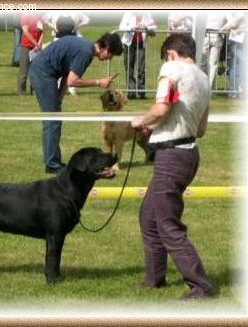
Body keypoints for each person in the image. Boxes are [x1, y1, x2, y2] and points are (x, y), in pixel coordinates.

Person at [131, 33, 215, 300]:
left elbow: (161, 107)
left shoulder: (171, 68)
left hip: (171, 157)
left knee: (168, 224)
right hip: (189, 153)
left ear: (170, 53)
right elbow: (200, 129)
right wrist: (156, 126)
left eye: (165, 57)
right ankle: (154, 278)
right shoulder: (203, 78)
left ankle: (201, 286)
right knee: (148, 215)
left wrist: (141, 121)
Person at [29, 32, 123, 173]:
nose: (110, 59)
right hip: (43, 73)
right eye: (112, 55)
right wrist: (99, 82)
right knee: (52, 121)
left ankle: (53, 162)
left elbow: (67, 74)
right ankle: (52, 165)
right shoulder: (85, 53)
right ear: (106, 49)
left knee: (54, 119)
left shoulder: (85, 47)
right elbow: (73, 81)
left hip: (45, 72)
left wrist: (59, 97)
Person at [43, 11, 90, 96]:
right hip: (58, 39)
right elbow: (44, 19)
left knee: (71, 64)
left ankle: (71, 86)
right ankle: (57, 86)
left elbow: (86, 20)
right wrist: (53, 27)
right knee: (58, 64)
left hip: (72, 39)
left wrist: (76, 27)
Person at [119, 11, 157, 100]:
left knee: (141, 68)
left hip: (141, 44)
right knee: (129, 68)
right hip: (129, 43)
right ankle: (131, 92)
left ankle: (141, 91)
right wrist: (132, 28)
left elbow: (154, 27)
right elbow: (121, 27)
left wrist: (145, 27)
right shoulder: (128, 13)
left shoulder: (147, 14)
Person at [219, 11, 247, 99]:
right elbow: (233, 23)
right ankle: (233, 91)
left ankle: (235, 91)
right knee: (239, 65)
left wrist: (237, 29)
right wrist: (223, 30)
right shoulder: (240, 12)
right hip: (235, 41)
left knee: (237, 66)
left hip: (241, 41)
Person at [18, 12, 43, 96]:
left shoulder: (39, 16)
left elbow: (42, 32)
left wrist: (39, 44)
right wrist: (35, 43)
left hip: (37, 47)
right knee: (24, 70)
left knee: (36, 70)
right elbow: (25, 31)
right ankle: (22, 90)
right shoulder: (25, 15)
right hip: (27, 46)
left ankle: (35, 89)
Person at [200, 13, 227, 90]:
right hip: (213, 34)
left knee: (207, 63)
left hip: (210, 34)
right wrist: (222, 29)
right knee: (210, 64)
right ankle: (208, 87)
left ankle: (207, 87)